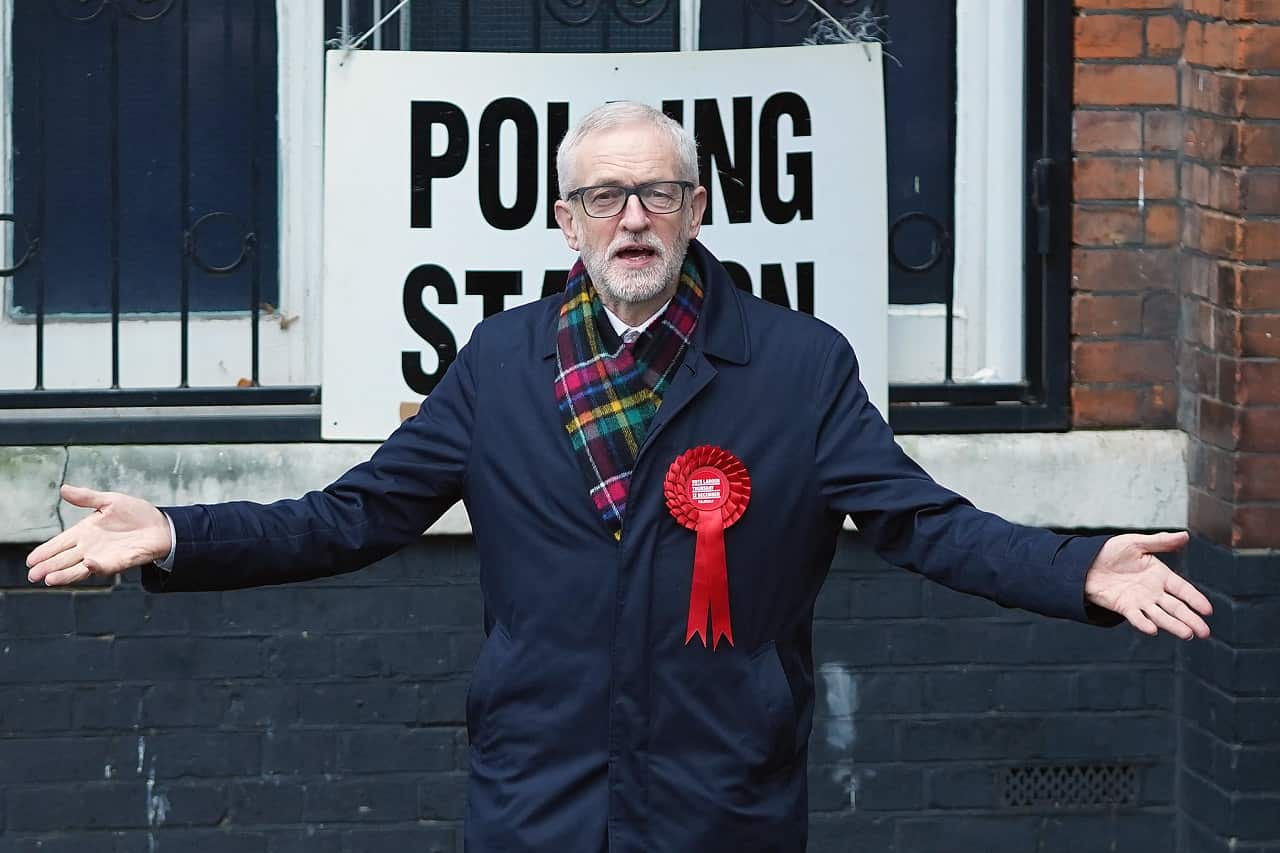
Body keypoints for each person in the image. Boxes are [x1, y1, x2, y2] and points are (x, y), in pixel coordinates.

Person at [26, 101, 1212, 853]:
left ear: (696, 208)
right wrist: (175, 533)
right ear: (563, 219)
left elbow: (917, 522)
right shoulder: (498, 363)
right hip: (535, 794)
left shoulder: (794, 364)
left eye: (655, 192)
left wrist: (1075, 566)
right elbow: (354, 516)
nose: (630, 216)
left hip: (721, 797)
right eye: (603, 194)